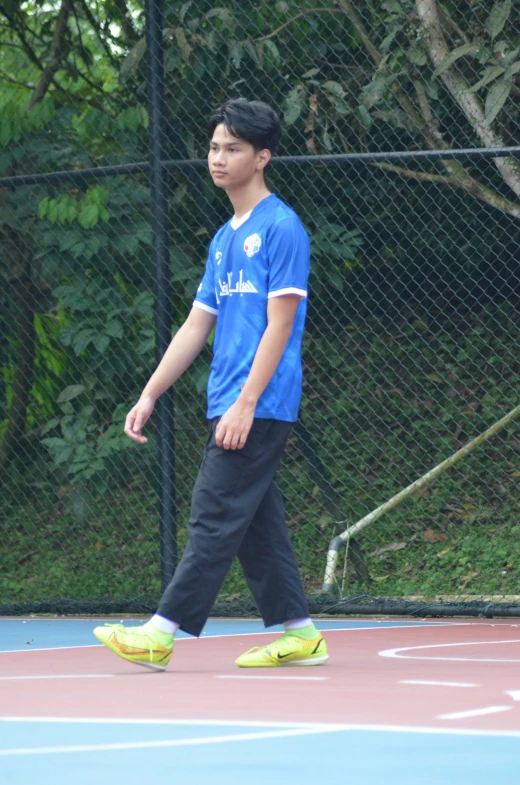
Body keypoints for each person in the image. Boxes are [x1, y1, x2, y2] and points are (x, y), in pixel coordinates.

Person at [94, 98, 329, 670]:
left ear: (263, 157)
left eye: (233, 149)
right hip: (227, 398)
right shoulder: (224, 238)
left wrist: (248, 403)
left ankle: (160, 632)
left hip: (261, 400)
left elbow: (281, 324)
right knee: (254, 523)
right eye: (214, 148)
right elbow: (197, 324)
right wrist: (150, 393)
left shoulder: (282, 228)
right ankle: (300, 633)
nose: (218, 159)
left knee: (213, 509)